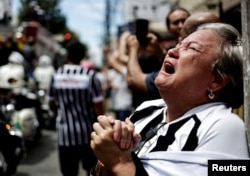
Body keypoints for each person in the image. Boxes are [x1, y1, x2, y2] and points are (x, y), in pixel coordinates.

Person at [90, 23, 249, 176]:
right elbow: (103, 167)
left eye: (192, 48)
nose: (172, 51)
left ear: (217, 81)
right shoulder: (148, 108)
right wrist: (109, 152)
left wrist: (120, 162)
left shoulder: (224, 125)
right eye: (179, 44)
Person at [47, 41, 105, 176]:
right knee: (91, 170)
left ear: (67, 56)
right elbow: (99, 107)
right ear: (82, 57)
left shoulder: (56, 75)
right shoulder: (89, 76)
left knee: (68, 171)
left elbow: (51, 102)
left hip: (64, 135)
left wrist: (60, 114)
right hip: (87, 134)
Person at [125, 7, 190, 108]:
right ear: (168, 28)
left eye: (184, 21)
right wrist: (158, 51)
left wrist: (132, 50)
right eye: (176, 22)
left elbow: (133, 80)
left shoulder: (192, 50)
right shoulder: (171, 51)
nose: (181, 26)